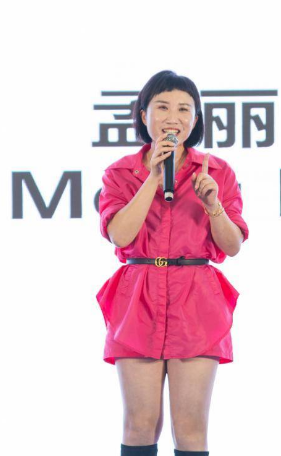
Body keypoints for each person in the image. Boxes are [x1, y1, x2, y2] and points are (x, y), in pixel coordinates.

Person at [96, 70, 249, 456]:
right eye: (162, 107)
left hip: (196, 298)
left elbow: (232, 246)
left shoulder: (217, 172)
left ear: (195, 120)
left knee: (191, 428)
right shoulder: (120, 172)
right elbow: (120, 235)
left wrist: (213, 205)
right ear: (143, 115)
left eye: (184, 109)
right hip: (139, 297)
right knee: (139, 423)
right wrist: (152, 178)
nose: (173, 117)